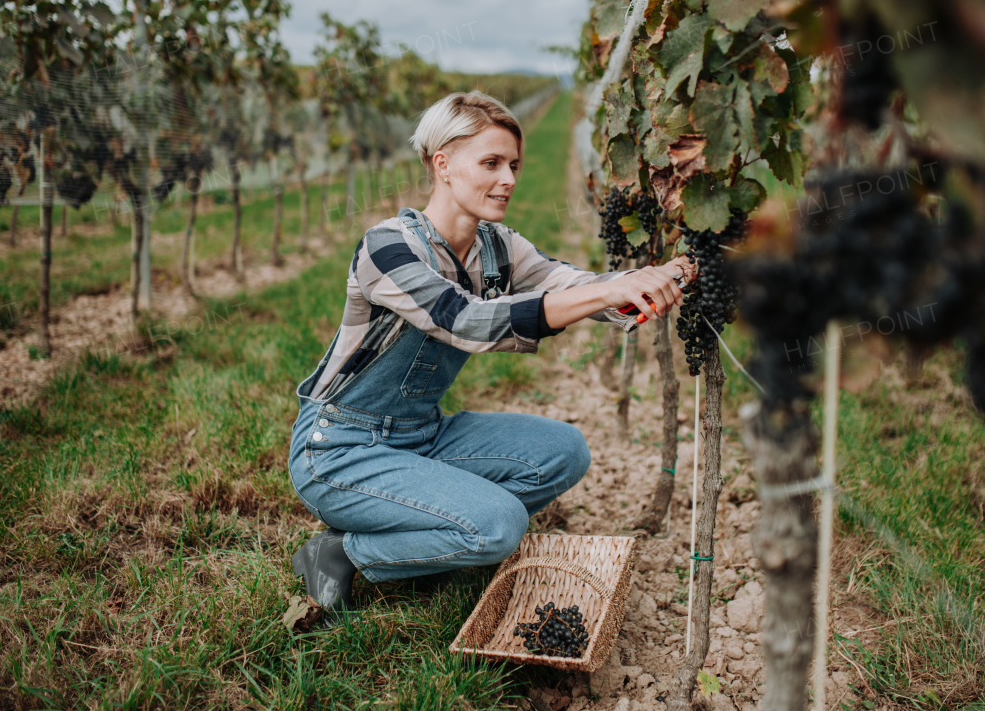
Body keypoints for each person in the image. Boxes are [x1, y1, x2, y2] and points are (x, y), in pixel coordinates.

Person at [288, 91, 695, 614]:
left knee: (565, 451)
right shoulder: (387, 247)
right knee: (500, 525)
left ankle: (423, 522)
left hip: (422, 434)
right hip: (342, 448)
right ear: (444, 165)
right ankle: (340, 551)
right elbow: (465, 322)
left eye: (514, 165)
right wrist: (604, 293)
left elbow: (578, 284)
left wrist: (645, 282)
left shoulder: (498, 247)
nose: (509, 179)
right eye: (491, 163)